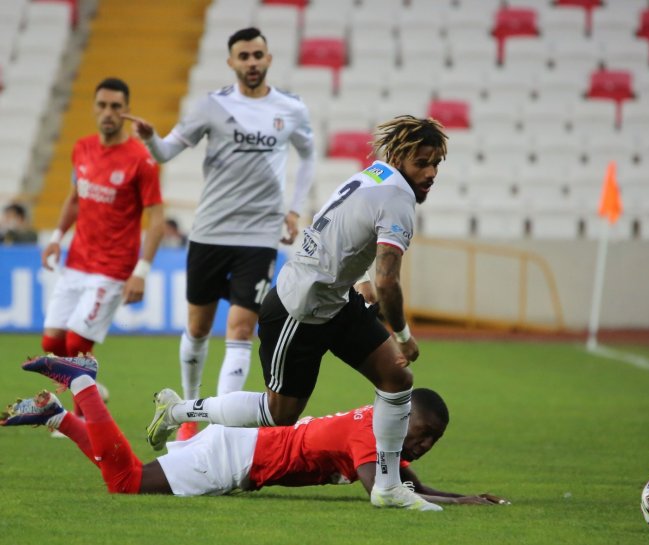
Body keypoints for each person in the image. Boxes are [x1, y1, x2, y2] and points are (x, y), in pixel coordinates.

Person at [146, 115, 449, 511]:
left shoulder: (372, 176)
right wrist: (404, 336)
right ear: (399, 156)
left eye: (435, 164)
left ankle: (388, 488)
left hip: (334, 299)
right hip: (299, 307)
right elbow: (389, 281)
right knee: (280, 413)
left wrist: (357, 281)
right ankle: (176, 409)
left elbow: (339, 234)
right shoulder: (398, 200)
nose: (429, 173)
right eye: (421, 163)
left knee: (396, 378)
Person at [123, 27, 316, 441]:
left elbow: (308, 155)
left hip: (260, 235)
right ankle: (188, 412)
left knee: (242, 329)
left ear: (269, 58)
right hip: (210, 231)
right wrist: (150, 139)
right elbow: (168, 151)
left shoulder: (291, 108)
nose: (251, 62)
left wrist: (295, 208)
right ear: (231, 62)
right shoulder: (212, 106)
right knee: (197, 328)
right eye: (243, 56)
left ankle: (219, 427)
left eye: (257, 55)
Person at [1, 354, 508, 506]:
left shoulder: (378, 428)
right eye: (421, 432)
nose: (421, 444)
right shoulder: (371, 439)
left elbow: (406, 480)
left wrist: (463, 498)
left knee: (130, 475)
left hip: (241, 448)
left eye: (431, 440)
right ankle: (83, 384)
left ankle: (57, 417)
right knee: (125, 481)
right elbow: (385, 492)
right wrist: (454, 506)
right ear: (405, 415)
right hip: (235, 459)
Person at [40, 77, 164, 363]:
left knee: (77, 343)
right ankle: (93, 394)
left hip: (112, 268)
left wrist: (141, 271)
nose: (108, 112)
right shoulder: (82, 148)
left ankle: (84, 410)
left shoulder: (141, 160)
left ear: (126, 110)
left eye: (116, 106)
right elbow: (74, 198)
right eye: (102, 105)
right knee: (52, 342)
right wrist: (56, 239)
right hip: (77, 260)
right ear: (94, 108)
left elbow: (157, 219)